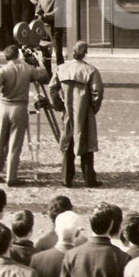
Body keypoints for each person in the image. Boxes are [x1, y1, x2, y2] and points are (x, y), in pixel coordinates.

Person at [0, 45, 50, 186]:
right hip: (19, 108)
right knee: (15, 144)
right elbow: (44, 76)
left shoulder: (4, 70)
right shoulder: (26, 68)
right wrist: (40, 61)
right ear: (18, 54)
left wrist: (4, 84)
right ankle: (11, 177)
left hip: (3, 107)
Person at [48, 41, 104, 188]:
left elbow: (52, 88)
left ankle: (66, 178)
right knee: (86, 144)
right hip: (84, 112)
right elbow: (97, 93)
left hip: (67, 111)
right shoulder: (91, 71)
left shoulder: (61, 68)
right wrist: (92, 109)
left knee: (67, 143)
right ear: (85, 53)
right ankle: (89, 179)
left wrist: (59, 105)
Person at [34, 0, 65, 67]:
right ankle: (48, 74)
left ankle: (61, 74)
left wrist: (43, 16)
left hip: (56, 27)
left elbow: (56, 12)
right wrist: (38, 14)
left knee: (58, 52)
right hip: (45, 27)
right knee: (46, 52)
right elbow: (38, 8)